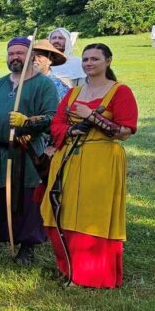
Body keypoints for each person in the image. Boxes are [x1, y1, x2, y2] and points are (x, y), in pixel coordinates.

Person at [41, 43, 137, 288]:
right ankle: (69, 268)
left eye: (95, 58)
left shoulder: (120, 91)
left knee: (92, 215)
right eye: (85, 59)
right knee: (62, 210)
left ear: (108, 61)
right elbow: (56, 124)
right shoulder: (73, 93)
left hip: (101, 160)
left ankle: (91, 275)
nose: (89, 63)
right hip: (69, 158)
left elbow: (124, 131)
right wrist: (73, 128)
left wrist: (92, 117)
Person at [0, 37, 59, 265]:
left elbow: (53, 118)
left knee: (26, 199)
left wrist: (27, 122)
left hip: (25, 151)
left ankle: (27, 246)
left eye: (20, 53)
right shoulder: (0, 84)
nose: (15, 57)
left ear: (31, 57)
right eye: (11, 53)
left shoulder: (42, 84)